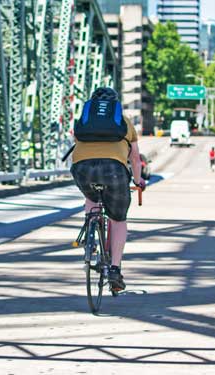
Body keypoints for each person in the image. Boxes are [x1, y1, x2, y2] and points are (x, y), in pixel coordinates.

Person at [69, 87, 144, 292]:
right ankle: (114, 269)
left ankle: (90, 233)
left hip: (82, 168)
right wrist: (138, 182)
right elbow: (135, 158)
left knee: (91, 196)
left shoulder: (84, 120)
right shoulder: (124, 122)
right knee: (118, 219)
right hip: (114, 170)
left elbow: (77, 145)